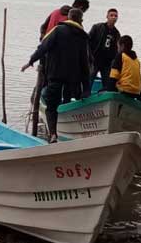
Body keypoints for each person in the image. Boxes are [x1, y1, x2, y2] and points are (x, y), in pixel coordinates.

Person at [22, 8, 90, 143]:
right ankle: (69, 128)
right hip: (73, 79)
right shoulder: (83, 37)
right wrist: (86, 88)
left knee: (51, 107)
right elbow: (85, 64)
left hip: (55, 75)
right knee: (67, 101)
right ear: (81, 20)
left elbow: (43, 47)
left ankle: (53, 134)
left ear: (68, 18)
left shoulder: (58, 30)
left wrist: (31, 61)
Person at [87, 8, 120, 89]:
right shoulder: (97, 27)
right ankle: (85, 94)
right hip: (95, 60)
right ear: (107, 16)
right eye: (111, 15)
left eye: (115, 16)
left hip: (107, 63)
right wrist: (89, 56)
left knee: (107, 84)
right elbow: (88, 41)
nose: (113, 17)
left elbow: (116, 50)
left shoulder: (116, 33)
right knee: (89, 81)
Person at [107, 35, 141, 100]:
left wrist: (108, 92)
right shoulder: (137, 60)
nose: (117, 49)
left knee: (101, 92)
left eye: (118, 47)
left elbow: (113, 77)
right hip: (136, 92)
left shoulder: (120, 56)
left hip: (124, 90)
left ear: (122, 46)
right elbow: (137, 78)